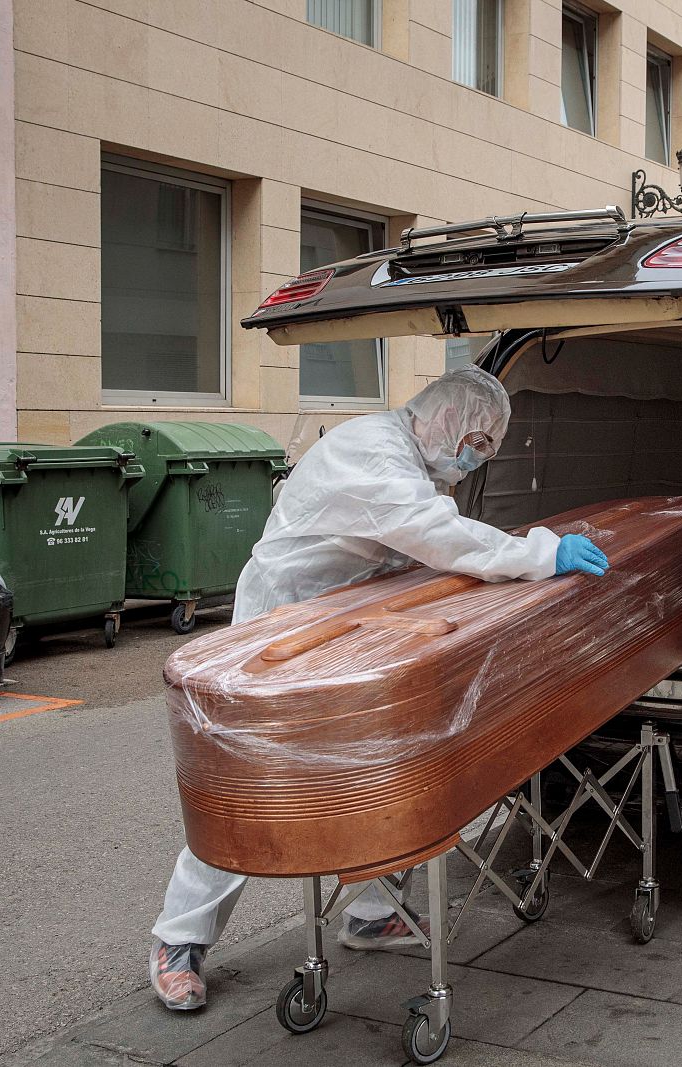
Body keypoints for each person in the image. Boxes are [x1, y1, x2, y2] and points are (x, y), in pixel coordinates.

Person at [148, 366, 610, 1011]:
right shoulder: (373, 449)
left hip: (350, 628)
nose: (475, 458)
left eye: (487, 449)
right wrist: (538, 553)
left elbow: (418, 544)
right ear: (445, 419)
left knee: (380, 769)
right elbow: (434, 534)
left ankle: (372, 912)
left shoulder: (411, 458)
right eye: (475, 441)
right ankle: (179, 943)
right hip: (284, 630)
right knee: (251, 787)